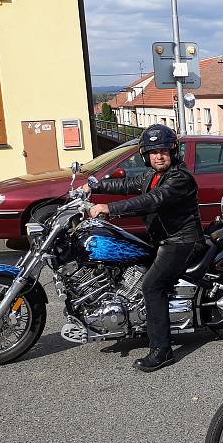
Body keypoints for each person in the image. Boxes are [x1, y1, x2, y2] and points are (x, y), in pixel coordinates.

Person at [80, 124, 202, 372]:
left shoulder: (180, 178)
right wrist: (95, 187)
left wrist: (109, 208)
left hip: (181, 241)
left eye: (164, 151)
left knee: (152, 286)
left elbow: (153, 200)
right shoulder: (152, 175)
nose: (159, 156)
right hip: (163, 238)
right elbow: (129, 184)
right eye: (154, 151)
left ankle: (162, 350)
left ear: (173, 152)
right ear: (146, 155)